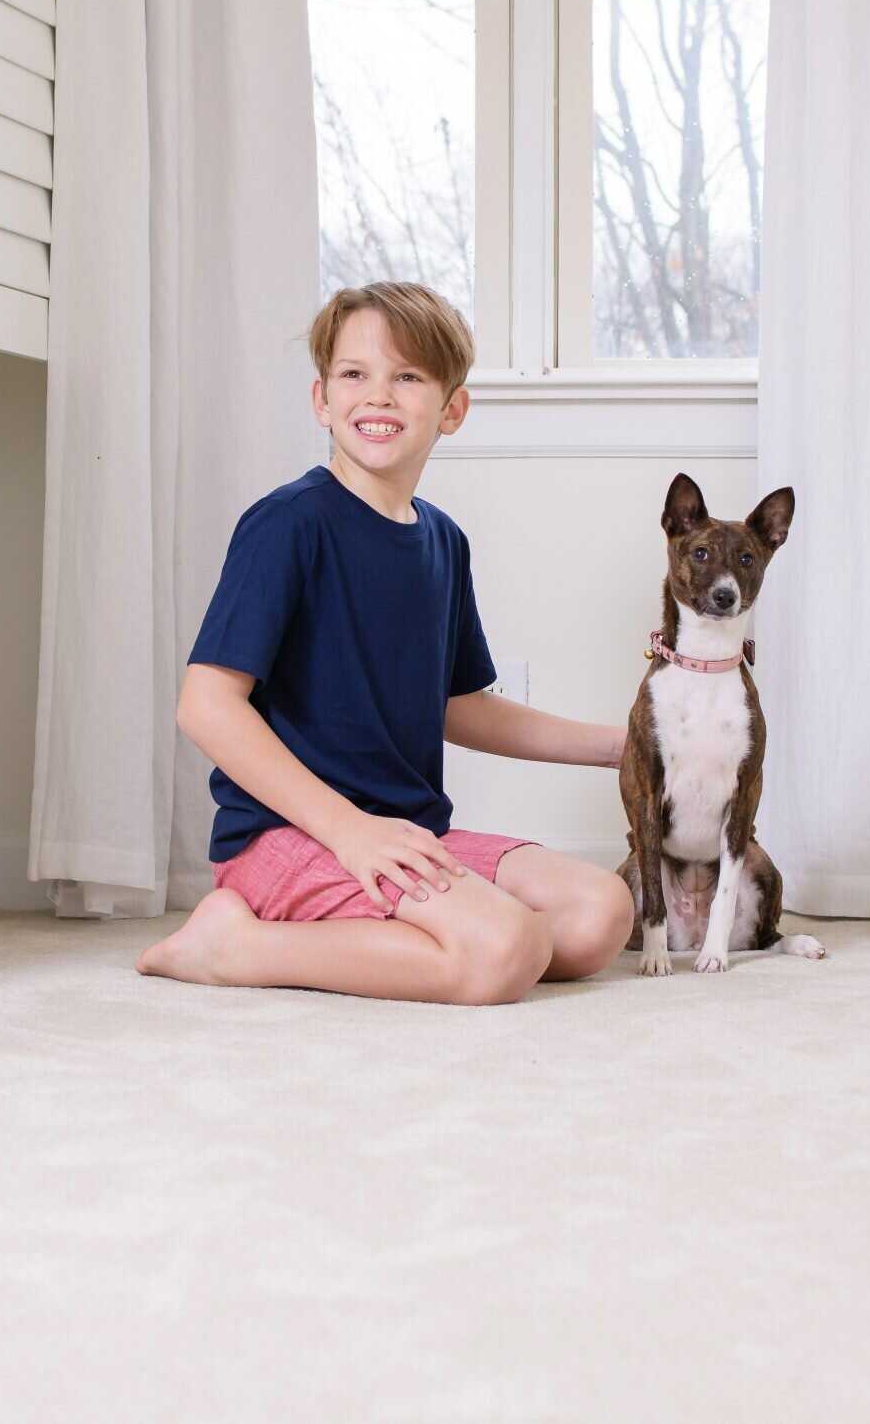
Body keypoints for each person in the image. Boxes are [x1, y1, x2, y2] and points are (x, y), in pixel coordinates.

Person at [136, 281, 635, 1002]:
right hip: (290, 836)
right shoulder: (288, 525)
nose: (378, 396)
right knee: (507, 947)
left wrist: (621, 745)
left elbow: (459, 706)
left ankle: (427, 938)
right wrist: (348, 831)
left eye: (407, 377)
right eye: (354, 374)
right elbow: (206, 706)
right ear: (321, 399)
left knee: (599, 914)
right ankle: (236, 945)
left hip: (403, 833)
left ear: (452, 408)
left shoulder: (443, 542)